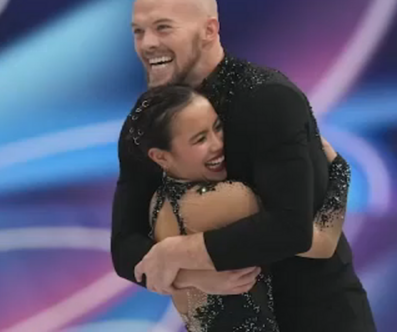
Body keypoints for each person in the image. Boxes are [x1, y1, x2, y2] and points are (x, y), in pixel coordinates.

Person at [111, 0, 376, 331]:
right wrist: (192, 276)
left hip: (318, 318)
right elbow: (125, 246)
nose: (147, 44)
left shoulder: (269, 98)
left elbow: (290, 228)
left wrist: (178, 252)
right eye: (138, 31)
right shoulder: (146, 122)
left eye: (163, 27)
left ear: (209, 29)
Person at [127, 84, 350, 331]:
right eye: (200, 139)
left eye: (217, 128)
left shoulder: (158, 203)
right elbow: (321, 242)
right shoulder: (230, 199)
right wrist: (340, 172)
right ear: (160, 156)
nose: (218, 144)